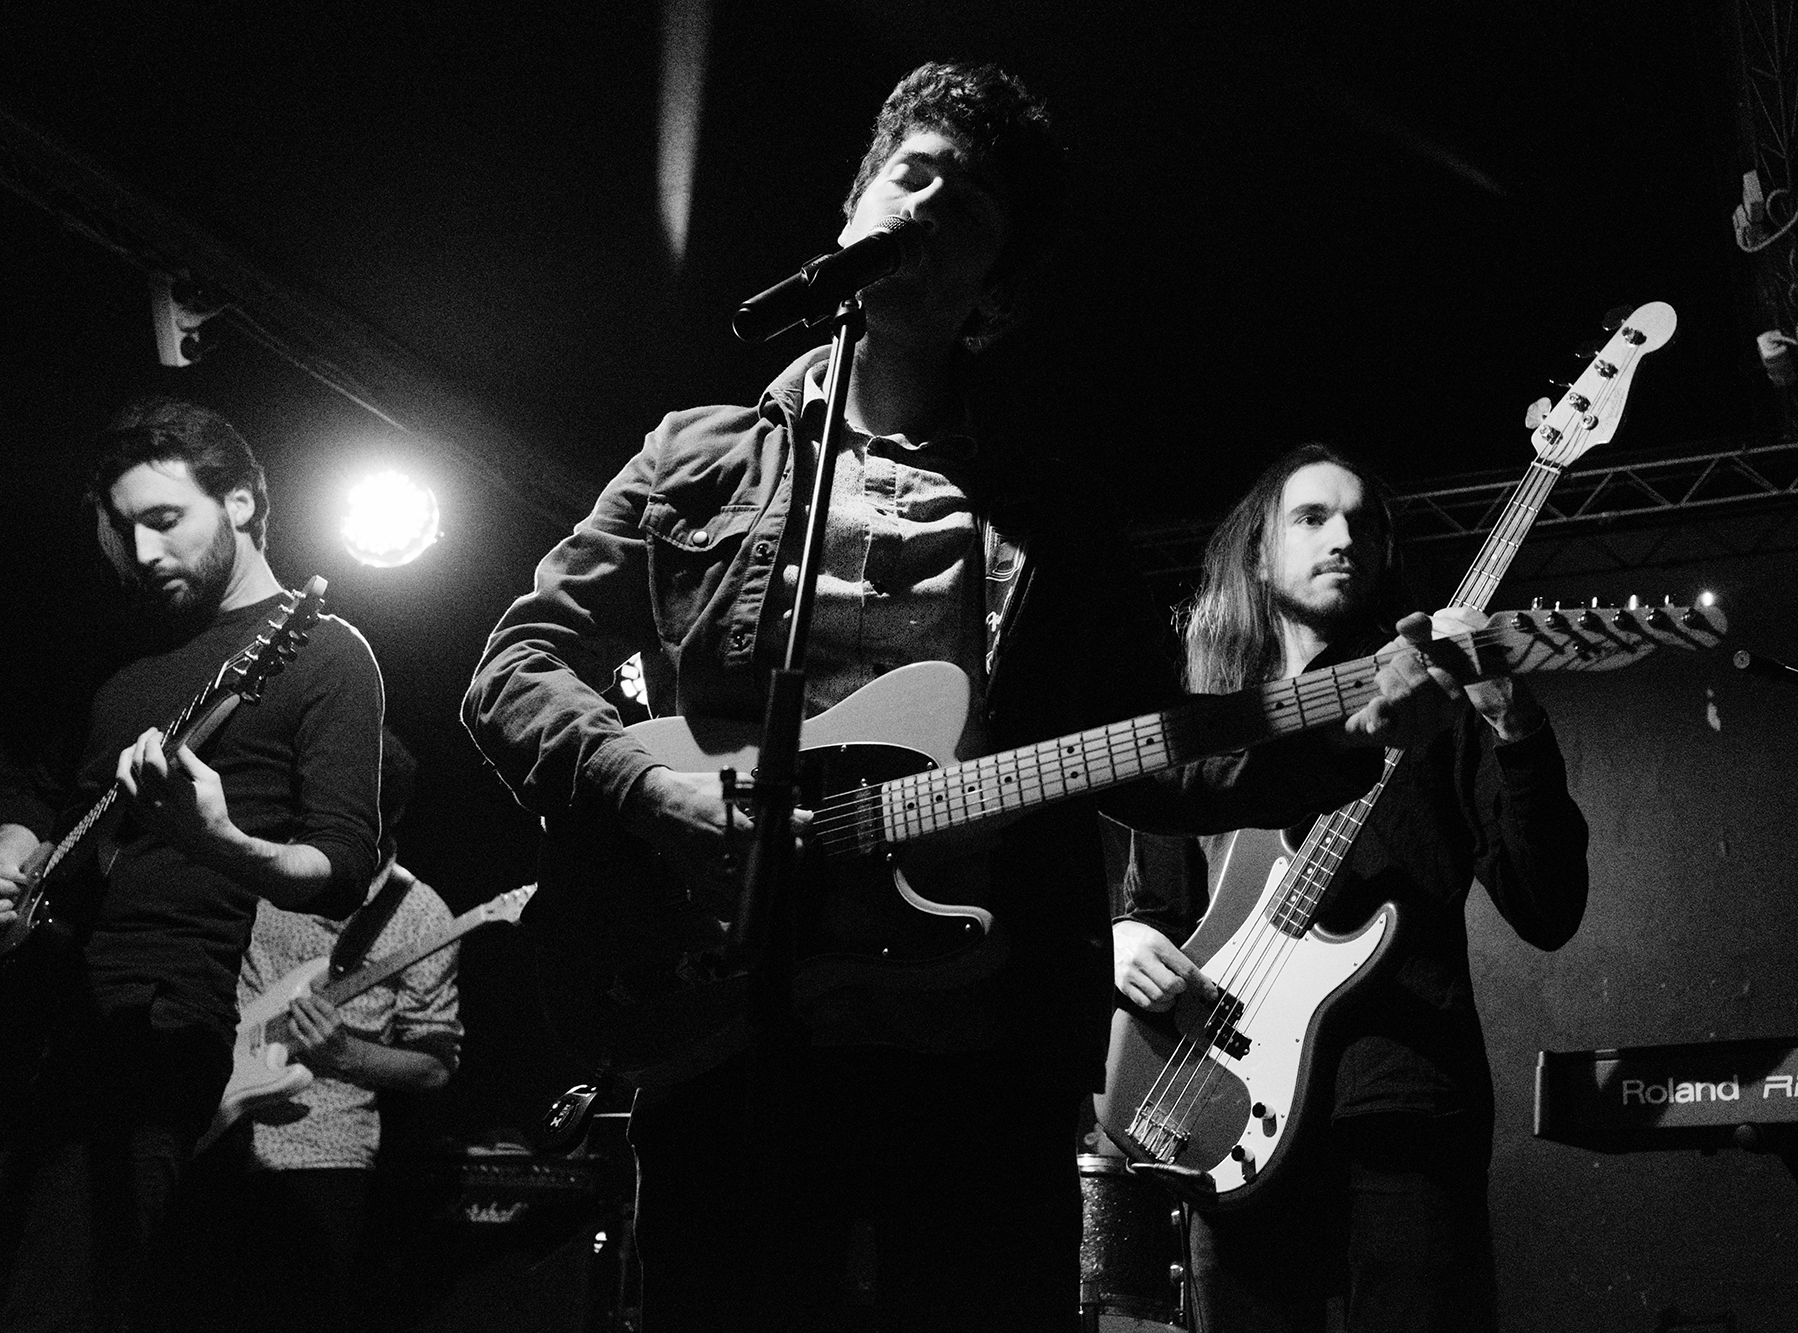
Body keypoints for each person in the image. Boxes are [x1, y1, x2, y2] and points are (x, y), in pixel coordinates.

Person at [461, 63, 1458, 1333]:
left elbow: (1160, 754)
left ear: (991, 295)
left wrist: (1348, 737)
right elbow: (513, 660)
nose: (925, 206)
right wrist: (641, 785)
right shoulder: (693, 455)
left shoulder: (1051, 508)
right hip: (725, 1021)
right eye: (910, 171)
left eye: (968, 210)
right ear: (854, 204)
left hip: (977, 1053)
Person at [1111, 443, 1591, 1332]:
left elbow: (1548, 906)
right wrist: (1126, 941)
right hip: (1226, 1106)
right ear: (1258, 553)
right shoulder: (1211, 720)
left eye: (1365, 521)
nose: (1346, 537)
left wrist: (1515, 724)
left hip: (1405, 1103)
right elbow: (1153, 911)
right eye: (1314, 516)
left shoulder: (1437, 706)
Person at [0, 396, 385, 1332]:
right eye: (126, 527)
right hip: (38, 1006)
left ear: (238, 504)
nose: (144, 554)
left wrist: (218, 841)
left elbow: (342, 863)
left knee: (68, 1300)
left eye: (165, 519)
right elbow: (45, 797)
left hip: (160, 1025)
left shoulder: (321, 653)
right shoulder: (125, 659)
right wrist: (6, 861)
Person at [159, 731, 457, 1333]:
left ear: (384, 813)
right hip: (198, 1130)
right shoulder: (259, 863)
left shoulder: (420, 914)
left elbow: (436, 1065)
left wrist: (345, 1055)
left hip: (321, 1159)